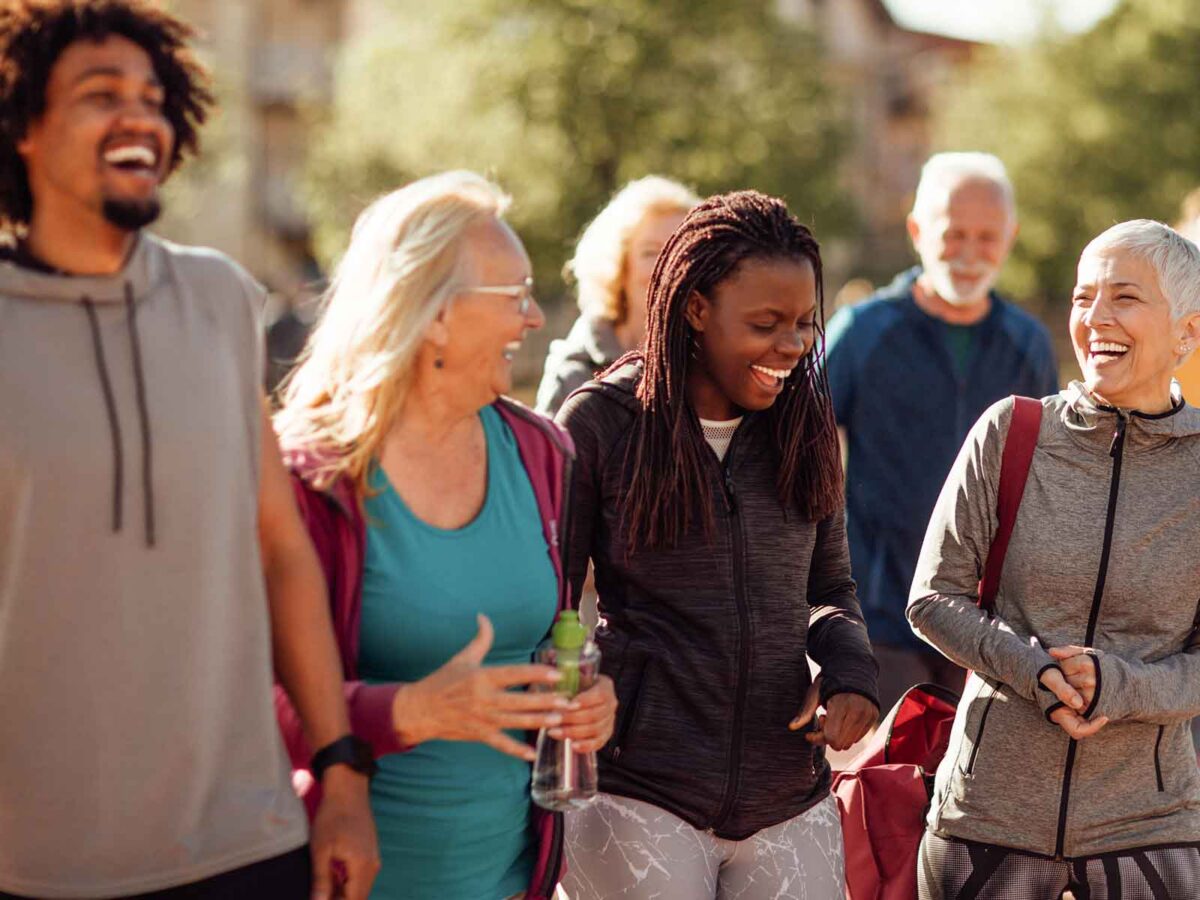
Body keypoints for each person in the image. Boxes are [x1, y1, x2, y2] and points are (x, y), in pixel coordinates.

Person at [0, 2, 378, 898]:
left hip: (242, 841)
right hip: (33, 859)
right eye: (100, 94)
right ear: (23, 127)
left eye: (154, 97)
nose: (139, 116)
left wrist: (343, 773)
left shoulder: (220, 301)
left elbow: (280, 549)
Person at [273, 171, 617, 900]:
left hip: (510, 878)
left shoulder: (542, 453)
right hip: (345, 876)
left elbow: (542, 644)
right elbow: (244, 697)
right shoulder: (307, 473)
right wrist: (406, 711)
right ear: (431, 315)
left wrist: (586, 697)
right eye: (513, 295)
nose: (531, 320)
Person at [557, 190, 879, 899]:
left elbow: (827, 590)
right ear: (696, 309)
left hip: (786, 793)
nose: (791, 346)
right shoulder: (602, 421)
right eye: (764, 324)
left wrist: (851, 669)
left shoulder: (805, 424)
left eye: (802, 323)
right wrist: (584, 690)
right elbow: (547, 598)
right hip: (638, 788)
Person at [909, 220, 1200, 898]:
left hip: (1149, 827)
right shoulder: (1011, 432)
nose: (1096, 318)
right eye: (1082, 296)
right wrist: (1036, 672)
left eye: (1124, 297)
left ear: (1187, 332)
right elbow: (932, 597)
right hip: (987, 821)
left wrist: (1120, 686)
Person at [824, 152, 1058, 714]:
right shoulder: (863, 332)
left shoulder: (1028, 343)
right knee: (885, 791)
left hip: (989, 630)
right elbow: (799, 448)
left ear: (1012, 236)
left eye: (987, 236)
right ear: (917, 230)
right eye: (954, 234)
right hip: (879, 619)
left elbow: (1051, 477)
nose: (970, 253)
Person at [535, 175, 699, 415]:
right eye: (650, 252)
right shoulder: (574, 373)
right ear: (619, 265)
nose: (667, 265)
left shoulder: (717, 360)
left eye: (681, 250)